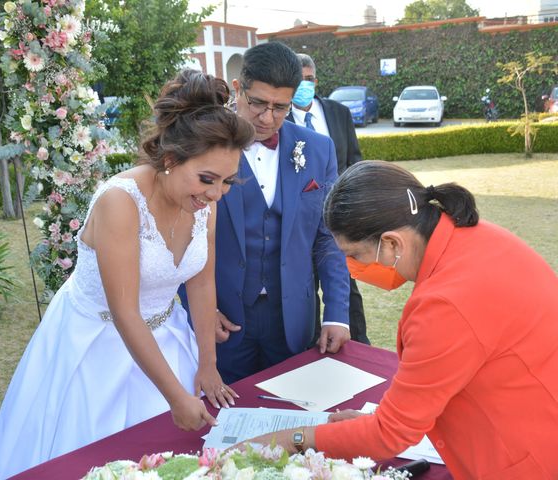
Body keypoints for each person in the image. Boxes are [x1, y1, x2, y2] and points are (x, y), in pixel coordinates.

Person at [0, 70, 255, 480]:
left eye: (227, 182)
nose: (215, 193)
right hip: (94, 345)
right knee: (92, 460)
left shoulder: (203, 201)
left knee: (170, 461)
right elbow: (125, 313)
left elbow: (201, 282)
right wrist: (175, 395)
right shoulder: (120, 202)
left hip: (167, 335)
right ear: (171, 160)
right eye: (207, 179)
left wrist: (207, 363)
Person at [242, 160, 558, 479]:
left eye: (354, 255)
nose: (353, 267)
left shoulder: (445, 304)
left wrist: (292, 439)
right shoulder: (476, 238)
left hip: (524, 459)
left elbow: (390, 435)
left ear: (392, 243)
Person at [181, 42, 351, 384]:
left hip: (293, 318)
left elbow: (327, 237)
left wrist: (337, 313)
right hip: (223, 318)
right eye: (257, 103)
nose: (268, 117)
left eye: (280, 108)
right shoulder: (201, 145)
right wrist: (200, 308)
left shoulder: (318, 150)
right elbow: (181, 233)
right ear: (237, 89)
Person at [287, 52, 369, 345]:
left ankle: (358, 345)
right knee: (305, 294)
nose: (304, 85)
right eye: (298, 81)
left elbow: (355, 163)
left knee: (346, 289)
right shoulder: (277, 122)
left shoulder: (337, 112)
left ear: (316, 80)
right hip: (300, 227)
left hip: (340, 223)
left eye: (309, 79)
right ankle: (312, 349)